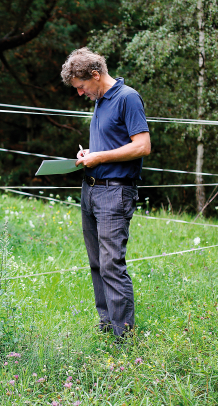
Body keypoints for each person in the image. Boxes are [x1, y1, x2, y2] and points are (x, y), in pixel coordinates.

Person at [60, 47, 150, 339]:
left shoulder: (128, 98)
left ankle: (124, 336)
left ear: (96, 75)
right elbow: (113, 144)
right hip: (91, 190)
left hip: (115, 192)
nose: (80, 93)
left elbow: (142, 146)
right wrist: (91, 154)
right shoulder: (100, 100)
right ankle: (106, 325)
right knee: (97, 262)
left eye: (82, 87)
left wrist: (100, 158)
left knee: (112, 264)